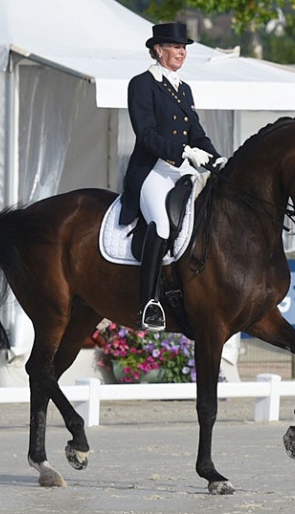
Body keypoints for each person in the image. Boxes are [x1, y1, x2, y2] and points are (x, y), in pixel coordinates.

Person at [119, 22, 226, 332]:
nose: (182, 52)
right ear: (158, 50)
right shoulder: (142, 84)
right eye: (176, 47)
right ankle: (148, 303)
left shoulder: (184, 87)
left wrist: (215, 157)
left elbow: (197, 132)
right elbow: (146, 133)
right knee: (162, 225)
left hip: (183, 169)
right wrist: (183, 152)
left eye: (184, 48)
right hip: (153, 170)